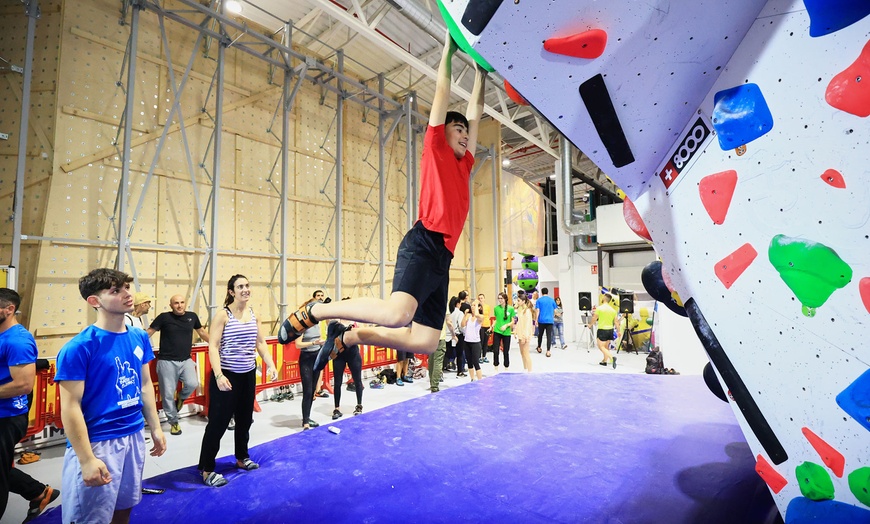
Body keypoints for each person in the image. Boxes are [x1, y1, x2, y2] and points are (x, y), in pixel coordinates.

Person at [278, 32, 487, 372]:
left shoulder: (465, 164)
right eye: (458, 128)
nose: (465, 133)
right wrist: (449, 50)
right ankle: (315, 312)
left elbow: (477, 117)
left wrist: (481, 74)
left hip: (443, 258)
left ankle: (352, 337)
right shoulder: (436, 150)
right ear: (443, 131)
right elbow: (442, 92)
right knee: (397, 314)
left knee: (426, 342)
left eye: (466, 130)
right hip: (424, 243)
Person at [54, 269, 166, 523]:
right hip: (98, 442)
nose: (127, 294)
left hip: (134, 435)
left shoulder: (138, 336)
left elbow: (146, 384)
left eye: (127, 287)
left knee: (124, 507)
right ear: (94, 301)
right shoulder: (79, 348)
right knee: (91, 518)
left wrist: (156, 428)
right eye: (115, 291)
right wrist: (86, 459)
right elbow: (70, 407)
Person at [198, 275, 277, 486]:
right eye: (240, 286)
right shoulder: (223, 315)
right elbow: (213, 347)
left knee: (245, 419)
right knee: (218, 423)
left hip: (248, 374)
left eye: (247, 285)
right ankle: (206, 469)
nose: (245, 289)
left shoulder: (254, 315)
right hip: (227, 375)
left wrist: (270, 363)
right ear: (232, 291)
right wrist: (218, 375)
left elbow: (260, 343)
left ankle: (242, 458)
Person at [147, 295, 210, 436]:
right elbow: (149, 333)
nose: (180, 305)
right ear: (171, 305)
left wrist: (215, 344)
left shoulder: (192, 317)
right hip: (166, 361)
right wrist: (131, 343)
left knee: (192, 383)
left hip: (186, 360)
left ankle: (181, 397)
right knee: (168, 394)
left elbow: (201, 332)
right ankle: (174, 422)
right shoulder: (164, 318)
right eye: (176, 303)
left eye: (182, 302)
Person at [0, 288, 38, 520]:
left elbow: (23, 385)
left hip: (7, 418)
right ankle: (39, 492)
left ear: (9, 309)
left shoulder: (17, 340)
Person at [296, 292, 328, 429]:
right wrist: (314, 342)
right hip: (306, 359)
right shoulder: (302, 324)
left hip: (316, 357)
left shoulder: (317, 323)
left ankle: (307, 417)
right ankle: (305, 422)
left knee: (313, 392)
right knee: (307, 391)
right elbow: (298, 344)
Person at [330, 319, 364, 418]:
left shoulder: (355, 322)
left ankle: (359, 405)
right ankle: (337, 408)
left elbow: (361, 335)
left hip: (353, 354)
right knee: (337, 382)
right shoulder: (336, 322)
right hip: (339, 355)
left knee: (357, 380)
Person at [588, 293, 618, 369]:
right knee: (606, 347)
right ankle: (604, 361)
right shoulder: (613, 310)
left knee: (601, 347)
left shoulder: (599, 308)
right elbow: (616, 322)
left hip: (602, 329)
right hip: (610, 330)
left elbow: (594, 318)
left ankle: (612, 357)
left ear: (604, 298)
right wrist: (619, 331)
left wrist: (590, 325)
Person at [461, 298, 485, 381]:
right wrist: (465, 315)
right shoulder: (469, 316)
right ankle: (472, 379)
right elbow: (462, 325)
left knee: (476, 362)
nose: (472, 307)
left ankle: (480, 380)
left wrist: (477, 304)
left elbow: (478, 315)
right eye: (472, 305)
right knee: (469, 362)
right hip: (467, 341)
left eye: (474, 306)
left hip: (475, 342)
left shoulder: (480, 317)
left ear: (479, 307)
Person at [491, 292, 515, 372]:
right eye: (499, 298)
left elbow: (512, 321)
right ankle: (496, 367)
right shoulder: (496, 308)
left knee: (506, 351)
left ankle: (506, 367)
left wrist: (506, 325)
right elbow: (496, 319)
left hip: (506, 332)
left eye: (501, 298)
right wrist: (492, 326)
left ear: (505, 299)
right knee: (496, 350)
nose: (500, 300)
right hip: (497, 331)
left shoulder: (511, 309)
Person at [428, 310, 449, 393]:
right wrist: (453, 335)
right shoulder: (443, 303)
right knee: (438, 362)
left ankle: (432, 382)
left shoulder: (429, 302)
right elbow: (449, 321)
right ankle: (434, 385)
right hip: (440, 337)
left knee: (431, 361)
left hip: (430, 337)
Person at [535, 288, 557, 357]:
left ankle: (539, 347)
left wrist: (536, 319)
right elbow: (555, 311)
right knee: (549, 336)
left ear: (541, 293)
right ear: (548, 292)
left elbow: (537, 310)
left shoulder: (539, 300)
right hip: (550, 321)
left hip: (541, 320)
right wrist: (552, 316)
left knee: (540, 335)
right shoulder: (552, 300)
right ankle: (548, 351)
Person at [514, 295, 534, 372]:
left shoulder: (527, 311)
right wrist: (515, 331)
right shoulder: (522, 311)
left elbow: (527, 324)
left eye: (519, 300)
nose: (517, 302)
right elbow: (519, 322)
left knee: (526, 353)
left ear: (523, 301)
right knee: (522, 353)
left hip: (525, 334)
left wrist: (525, 336)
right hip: (520, 333)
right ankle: (525, 368)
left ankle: (530, 370)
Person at [477, 293, 492, 364]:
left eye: (482, 298)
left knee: (486, 341)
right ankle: (479, 356)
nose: (480, 299)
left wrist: (490, 327)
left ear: (484, 299)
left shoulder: (487, 307)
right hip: (480, 326)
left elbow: (488, 315)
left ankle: (484, 356)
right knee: (481, 341)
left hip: (487, 325)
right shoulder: (478, 307)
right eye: (479, 298)